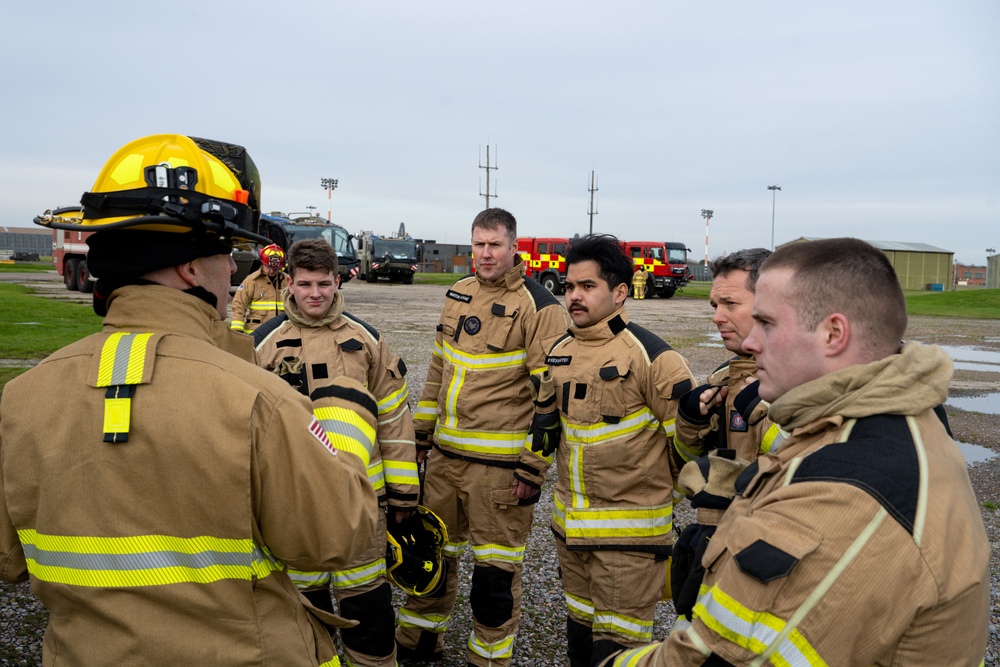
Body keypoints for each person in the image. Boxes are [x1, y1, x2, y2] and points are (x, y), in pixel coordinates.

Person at [0, 134, 378, 665]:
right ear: (190, 268)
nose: (234, 275)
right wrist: (343, 421)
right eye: (227, 256)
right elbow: (337, 537)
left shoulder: (20, 400)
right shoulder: (258, 401)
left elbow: (9, 560)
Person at [604, 238, 991, 667]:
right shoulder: (891, 421)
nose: (751, 341)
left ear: (833, 333)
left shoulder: (849, 487)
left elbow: (721, 658)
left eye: (766, 322)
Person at [395, 208, 571, 667]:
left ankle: (489, 659)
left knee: (494, 580)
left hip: (498, 473)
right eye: (479, 244)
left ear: (514, 246)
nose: (486, 253)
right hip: (444, 462)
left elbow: (549, 400)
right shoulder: (458, 293)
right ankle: (419, 646)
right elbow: (437, 370)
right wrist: (420, 436)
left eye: (495, 244)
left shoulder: (540, 306)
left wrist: (534, 467)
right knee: (429, 562)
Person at [514, 234, 695, 667]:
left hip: (628, 545)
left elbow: (689, 449)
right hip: (570, 536)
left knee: (617, 655)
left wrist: (661, 501)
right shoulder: (559, 353)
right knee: (579, 643)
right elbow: (546, 426)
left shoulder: (655, 359)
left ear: (619, 292)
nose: (574, 296)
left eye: (588, 286)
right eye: (570, 286)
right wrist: (528, 472)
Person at [254, 238, 419, 667]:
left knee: (369, 606)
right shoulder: (261, 345)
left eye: (324, 283)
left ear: (338, 280)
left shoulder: (366, 340)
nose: (315, 294)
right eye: (305, 283)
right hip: (293, 504)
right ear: (288, 282)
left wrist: (403, 493)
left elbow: (394, 418)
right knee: (302, 608)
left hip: (360, 501)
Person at [230, 242, 289, 333]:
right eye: (269, 267)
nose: (272, 271)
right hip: (256, 332)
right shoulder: (251, 281)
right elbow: (239, 305)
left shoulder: (287, 281)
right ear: (262, 263)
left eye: (275, 269)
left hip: (281, 332)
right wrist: (237, 330)